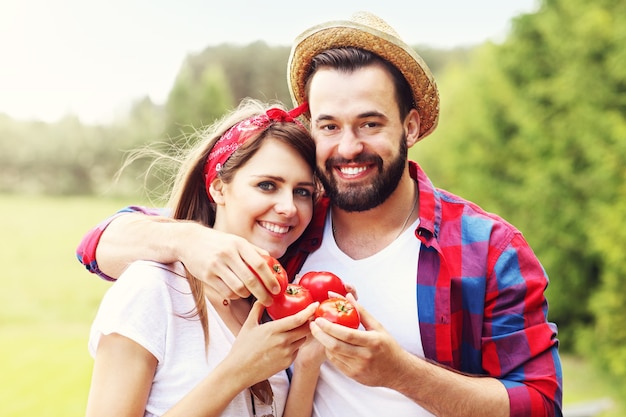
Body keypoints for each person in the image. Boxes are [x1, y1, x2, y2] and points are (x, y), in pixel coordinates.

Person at [77, 12, 563, 417]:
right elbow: (98, 244)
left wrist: (400, 373)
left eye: (369, 124)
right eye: (329, 125)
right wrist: (188, 242)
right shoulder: (287, 232)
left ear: (410, 126)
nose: (348, 147)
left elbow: (540, 403)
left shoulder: (487, 249)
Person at [84, 98, 323, 417]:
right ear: (218, 188)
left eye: (302, 192)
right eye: (267, 185)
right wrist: (238, 372)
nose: (289, 207)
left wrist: (308, 361)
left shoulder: (270, 305)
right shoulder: (153, 290)